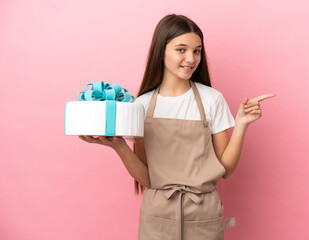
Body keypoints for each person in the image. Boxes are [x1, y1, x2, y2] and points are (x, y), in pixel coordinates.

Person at [79, 13, 276, 240]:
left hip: (203, 215)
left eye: (197, 50)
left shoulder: (212, 100)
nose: (191, 59)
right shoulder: (141, 105)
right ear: (160, 52)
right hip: (157, 218)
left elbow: (227, 170)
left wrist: (241, 124)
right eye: (181, 49)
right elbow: (147, 178)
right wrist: (120, 147)